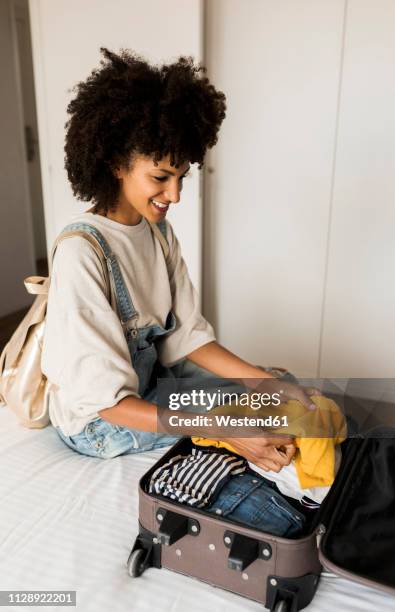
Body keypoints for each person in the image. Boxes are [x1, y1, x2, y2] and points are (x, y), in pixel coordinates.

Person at [42, 48, 319, 471]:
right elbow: (110, 406)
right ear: (117, 164)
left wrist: (267, 382)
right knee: (250, 417)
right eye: (160, 177)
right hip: (100, 423)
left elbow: (186, 338)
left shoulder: (158, 232)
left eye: (181, 177)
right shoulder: (82, 252)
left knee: (279, 390)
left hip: (149, 385)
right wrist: (222, 426)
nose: (174, 196)